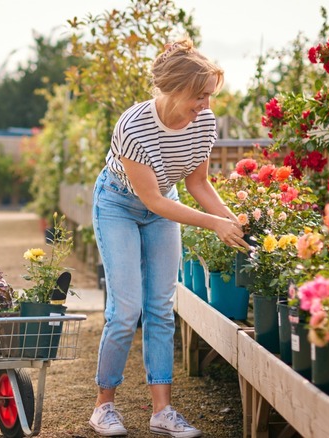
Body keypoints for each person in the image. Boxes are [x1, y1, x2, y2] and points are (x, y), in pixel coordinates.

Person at [88, 38, 248, 438]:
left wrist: (232, 219)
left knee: (160, 308)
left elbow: (198, 183)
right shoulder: (134, 126)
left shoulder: (204, 123)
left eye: (210, 96)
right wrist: (213, 225)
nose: (206, 106)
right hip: (119, 206)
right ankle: (103, 407)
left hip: (165, 204)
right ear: (174, 90)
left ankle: (162, 411)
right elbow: (152, 200)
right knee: (125, 311)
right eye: (199, 97)